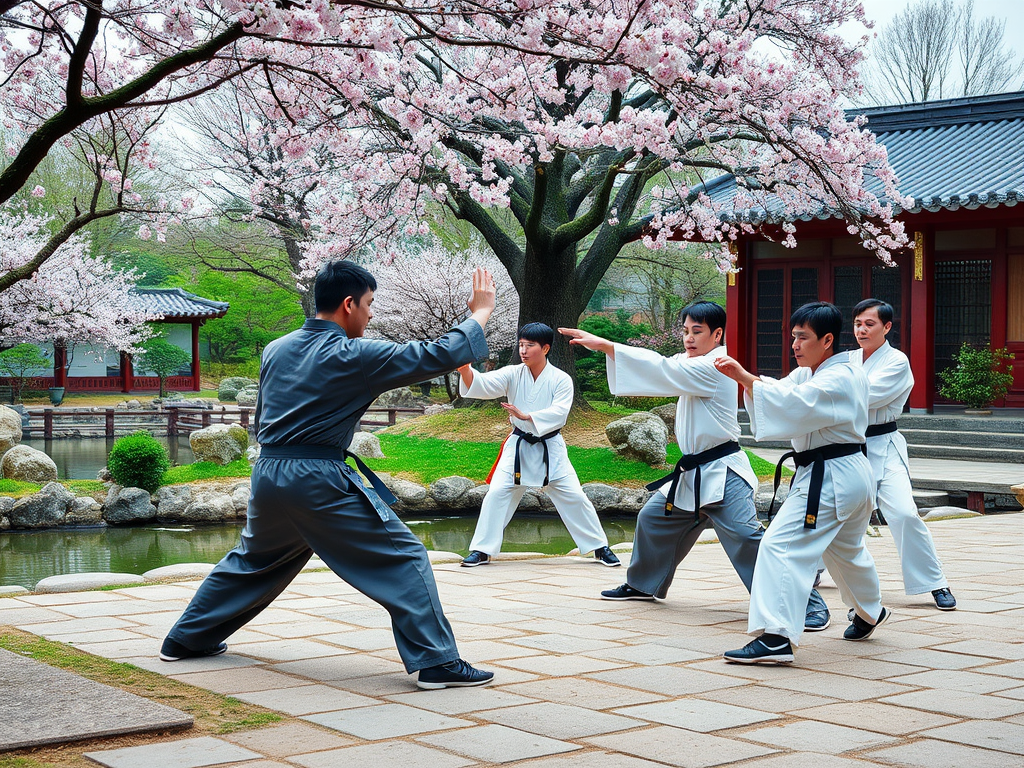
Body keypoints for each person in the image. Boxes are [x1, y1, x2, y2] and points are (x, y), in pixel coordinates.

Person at [160, 261, 497, 690]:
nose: (371, 315)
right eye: (370, 305)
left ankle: (186, 639)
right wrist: (481, 311)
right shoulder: (354, 354)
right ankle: (437, 662)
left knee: (255, 560)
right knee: (405, 558)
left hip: (268, 470)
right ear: (348, 303)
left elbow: (265, 415)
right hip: (316, 476)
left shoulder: (276, 349)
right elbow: (436, 354)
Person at [559, 303, 830, 632]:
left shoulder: (717, 366)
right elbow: (662, 369)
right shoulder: (690, 362)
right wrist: (612, 350)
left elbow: (662, 371)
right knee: (653, 519)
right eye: (685, 331)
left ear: (717, 334)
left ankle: (806, 603)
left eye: (697, 331)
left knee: (746, 538)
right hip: (692, 474)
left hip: (724, 472)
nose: (688, 338)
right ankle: (643, 584)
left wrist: (607, 345)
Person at [714, 301, 889, 664]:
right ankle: (870, 611)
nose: (794, 345)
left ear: (827, 340)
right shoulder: (812, 372)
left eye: (802, 338)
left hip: (831, 475)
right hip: (846, 473)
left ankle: (777, 636)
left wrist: (745, 379)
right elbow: (780, 391)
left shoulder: (838, 376)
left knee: (780, 546)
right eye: (792, 337)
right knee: (846, 551)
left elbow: (797, 402)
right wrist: (749, 380)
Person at [458, 323, 620, 568]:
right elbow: (481, 385)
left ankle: (599, 547)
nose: (523, 350)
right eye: (521, 345)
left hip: (550, 447)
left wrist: (528, 416)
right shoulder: (513, 373)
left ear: (545, 348)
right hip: (519, 447)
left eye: (529, 345)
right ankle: (482, 550)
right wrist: (464, 369)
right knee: (496, 495)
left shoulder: (561, 379)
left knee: (575, 496)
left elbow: (560, 412)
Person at [850, 298, 955, 610]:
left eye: (869, 324)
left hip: (885, 445)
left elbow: (862, 396)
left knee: (905, 514)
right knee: (833, 514)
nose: (862, 329)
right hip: (849, 448)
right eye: (857, 323)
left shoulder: (896, 361)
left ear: (887, 327)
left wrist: (830, 393)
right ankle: (812, 570)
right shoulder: (846, 360)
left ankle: (934, 582)